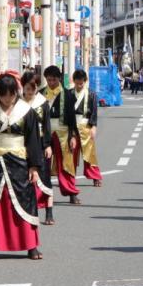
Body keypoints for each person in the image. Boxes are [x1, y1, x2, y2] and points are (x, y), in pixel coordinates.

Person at [0, 73, 44, 261]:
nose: (8, 99)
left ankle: (31, 245)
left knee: (24, 200)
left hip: (20, 162)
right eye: (3, 95)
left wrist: (34, 167)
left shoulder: (26, 111)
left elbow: (33, 140)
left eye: (11, 95)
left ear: (16, 92)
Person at [42, 65, 81, 205]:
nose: (51, 83)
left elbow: (72, 118)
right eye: (48, 80)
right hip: (44, 132)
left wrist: (73, 136)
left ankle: (71, 193)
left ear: (59, 78)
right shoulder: (40, 94)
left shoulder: (68, 95)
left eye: (53, 79)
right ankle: (40, 194)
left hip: (63, 132)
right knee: (41, 163)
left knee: (66, 164)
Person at [21, 70, 56, 225]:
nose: (29, 92)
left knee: (45, 178)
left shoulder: (42, 102)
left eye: (32, 88)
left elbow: (47, 126)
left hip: (41, 143)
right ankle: (27, 210)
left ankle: (49, 212)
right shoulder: (17, 102)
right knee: (24, 179)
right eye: (27, 88)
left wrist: (48, 145)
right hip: (22, 145)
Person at [70, 69, 102, 188]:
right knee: (71, 153)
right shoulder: (69, 94)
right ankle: (70, 177)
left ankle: (95, 176)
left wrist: (93, 127)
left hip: (86, 125)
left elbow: (94, 112)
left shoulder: (91, 94)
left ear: (85, 81)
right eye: (77, 83)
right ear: (74, 81)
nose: (79, 85)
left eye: (81, 83)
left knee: (89, 154)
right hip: (72, 126)